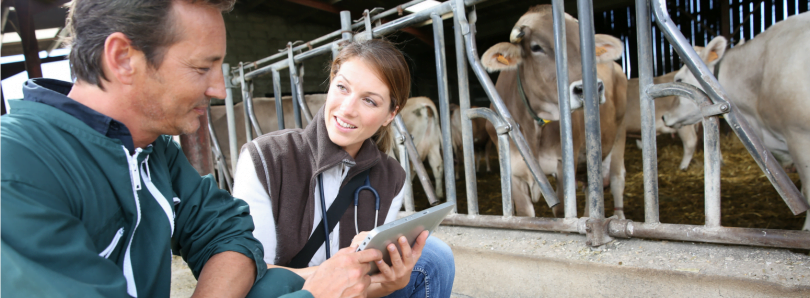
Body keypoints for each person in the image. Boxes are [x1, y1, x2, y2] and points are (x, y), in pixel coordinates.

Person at [0, 0, 383, 297]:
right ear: (122, 59)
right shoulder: (18, 165)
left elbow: (229, 232)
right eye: (202, 68)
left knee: (274, 284)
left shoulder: (153, 150)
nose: (218, 89)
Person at [232, 39, 456, 298]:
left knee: (434, 257)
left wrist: (390, 283)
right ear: (331, 83)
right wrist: (334, 273)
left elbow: (362, 286)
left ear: (390, 114)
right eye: (342, 88)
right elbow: (250, 278)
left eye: (369, 101)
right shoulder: (264, 158)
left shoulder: (392, 177)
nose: (347, 109)